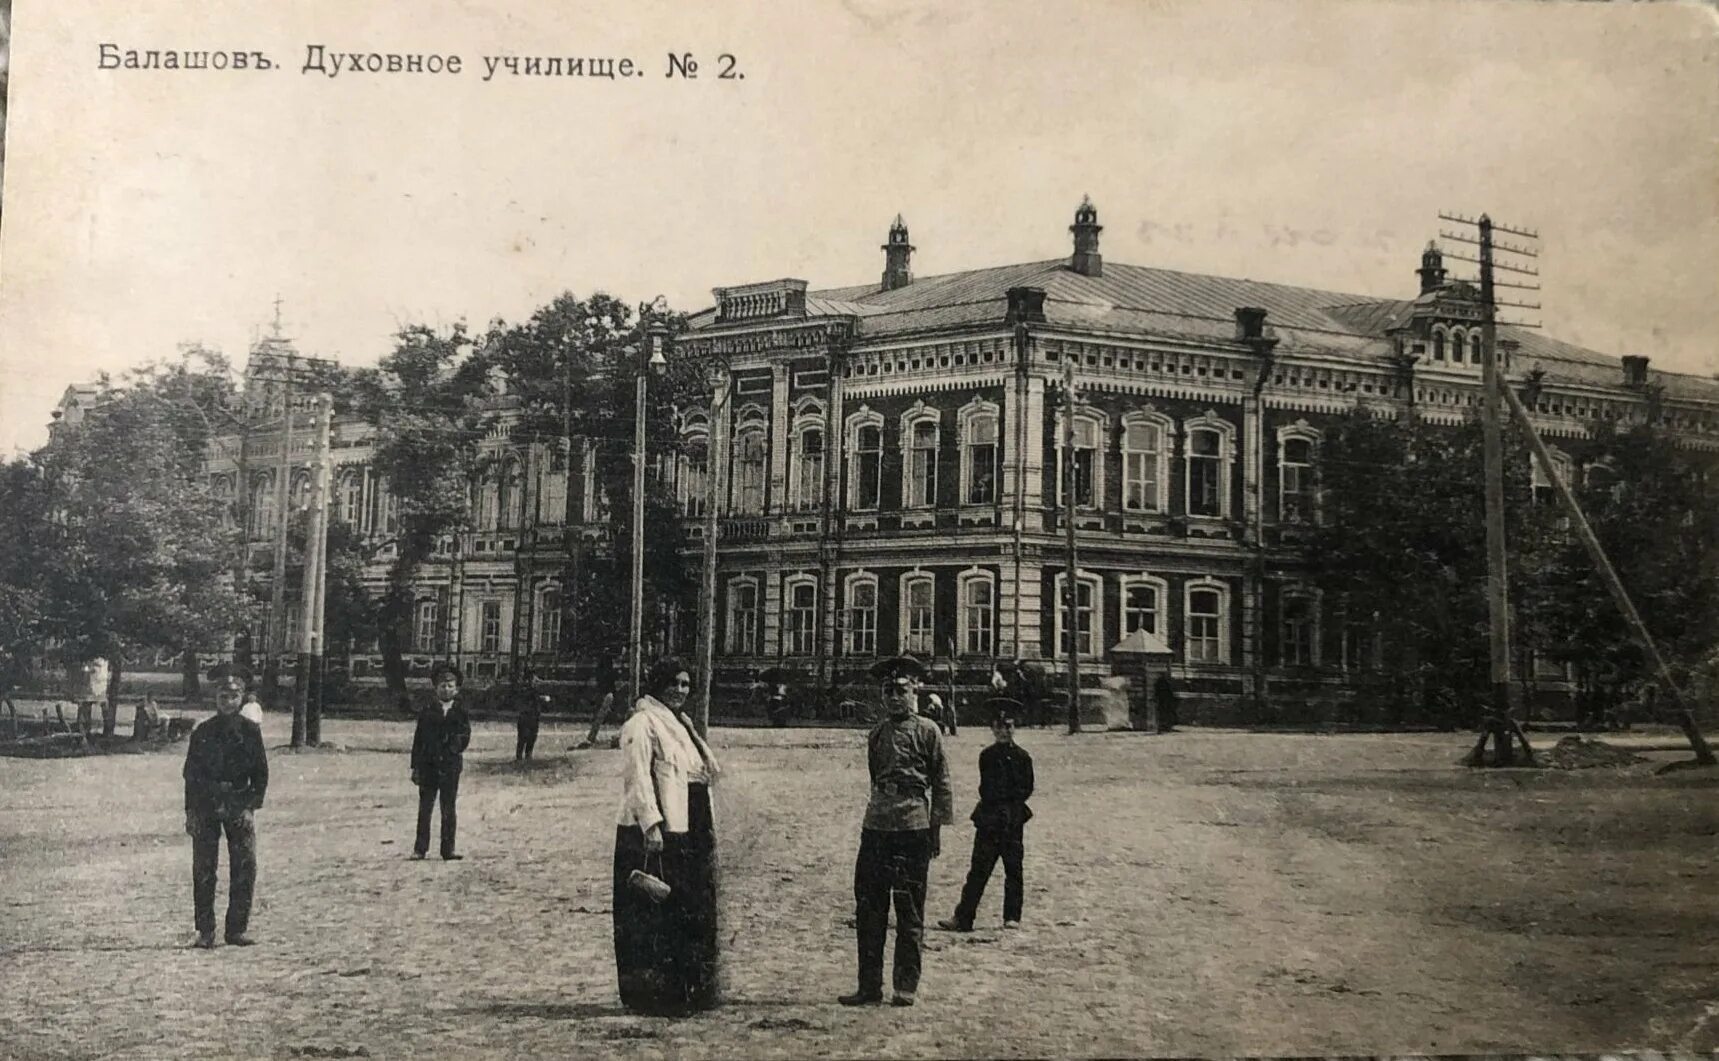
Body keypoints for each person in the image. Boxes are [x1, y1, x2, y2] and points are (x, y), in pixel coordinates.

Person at [840, 656, 954, 1008]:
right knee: (870, 907)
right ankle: (868, 987)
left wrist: (935, 829)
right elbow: (875, 776)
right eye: (888, 691)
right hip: (876, 827)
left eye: (901, 690)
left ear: (914, 691)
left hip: (913, 826)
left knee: (909, 908)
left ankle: (905, 986)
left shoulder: (929, 732)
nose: (894, 697)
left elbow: (942, 783)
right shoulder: (876, 734)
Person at [613, 657, 723, 1016]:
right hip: (658, 828)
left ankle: (690, 988)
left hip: (690, 822)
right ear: (658, 684)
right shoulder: (641, 722)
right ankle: (654, 994)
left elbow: (702, 772)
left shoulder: (681, 724)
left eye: (685, 684)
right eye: (673, 683)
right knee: (655, 912)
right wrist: (651, 825)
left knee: (692, 906)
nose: (679, 690)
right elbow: (638, 778)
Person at [183, 661, 269, 949]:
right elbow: (191, 775)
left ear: (242, 697)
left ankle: (236, 929)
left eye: (233, 696)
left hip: (238, 803)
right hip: (206, 804)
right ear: (215, 698)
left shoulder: (250, 731)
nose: (228, 701)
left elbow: (260, 774)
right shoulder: (202, 731)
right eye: (223, 696)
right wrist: (191, 813)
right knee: (204, 869)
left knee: (245, 867)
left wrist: (249, 807)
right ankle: (205, 931)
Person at [938, 699, 1034, 932]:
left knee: (1014, 869)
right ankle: (963, 917)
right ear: (992, 729)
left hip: (1012, 819)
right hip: (989, 819)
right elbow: (986, 787)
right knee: (979, 870)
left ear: (1014, 728)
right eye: (999, 727)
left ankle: (1012, 917)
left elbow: (1027, 787)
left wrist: (1010, 802)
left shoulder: (1023, 757)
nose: (1004, 731)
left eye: (1008, 726)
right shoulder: (987, 756)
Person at [411, 662, 471, 861]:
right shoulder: (428, 710)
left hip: (450, 766)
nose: (446, 689)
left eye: (450, 686)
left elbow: (465, 735)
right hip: (428, 766)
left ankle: (448, 849)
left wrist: (453, 748)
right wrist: (416, 767)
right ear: (435, 688)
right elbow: (418, 739)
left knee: (448, 808)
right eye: (442, 686)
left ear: (457, 688)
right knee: (425, 808)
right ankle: (420, 849)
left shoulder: (460, 712)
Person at [515, 677, 543, 762]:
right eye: (535, 682)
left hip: (534, 718)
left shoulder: (535, 693)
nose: (537, 684)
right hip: (526, 717)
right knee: (523, 737)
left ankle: (528, 755)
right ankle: (520, 756)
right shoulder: (527, 692)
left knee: (532, 737)